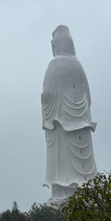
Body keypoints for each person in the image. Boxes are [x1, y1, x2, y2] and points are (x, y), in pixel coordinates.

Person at [41, 25, 97, 204]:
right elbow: (88, 95)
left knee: (61, 163)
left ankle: (62, 193)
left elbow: (47, 94)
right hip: (81, 122)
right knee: (80, 163)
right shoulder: (78, 65)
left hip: (60, 123)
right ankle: (83, 192)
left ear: (56, 45)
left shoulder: (55, 64)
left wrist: (45, 100)